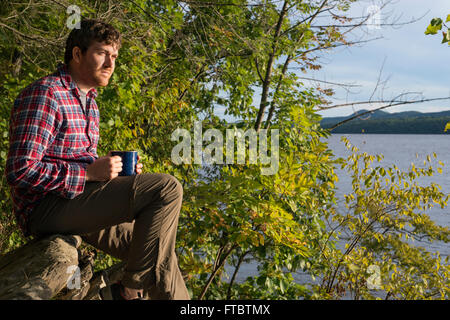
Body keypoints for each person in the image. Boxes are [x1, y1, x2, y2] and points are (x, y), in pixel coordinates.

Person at [5, 19, 190, 300]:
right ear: (77, 54)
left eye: (114, 56)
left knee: (155, 244)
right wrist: (89, 174)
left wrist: (114, 173)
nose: (110, 63)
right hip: (44, 209)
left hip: (77, 201)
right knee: (166, 188)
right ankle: (131, 289)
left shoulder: (90, 102)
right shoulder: (47, 94)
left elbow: (80, 162)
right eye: (103, 53)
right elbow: (20, 171)